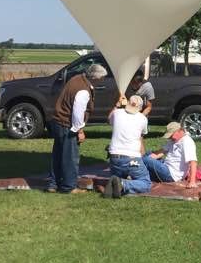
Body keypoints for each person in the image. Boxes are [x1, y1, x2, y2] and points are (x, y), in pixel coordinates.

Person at [47, 63, 108, 194]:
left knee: (58, 155)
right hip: (67, 125)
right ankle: (69, 187)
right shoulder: (83, 90)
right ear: (96, 78)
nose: (102, 80)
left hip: (58, 122)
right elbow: (77, 112)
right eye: (102, 78)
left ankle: (53, 184)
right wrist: (79, 130)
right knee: (70, 157)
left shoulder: (76, 79)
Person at [103, 94, 152, 198]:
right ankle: (122, 184)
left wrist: (117, 104)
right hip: (131, 158)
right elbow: (141, 136)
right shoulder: (143, 119)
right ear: (139, 108)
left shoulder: (117, 113)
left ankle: (115, 182)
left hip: (114, 158)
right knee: (146, 182)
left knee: (119, 174)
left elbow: (108, 119)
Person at [143, 121, 199, 187]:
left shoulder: (187, 142)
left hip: (172, 175)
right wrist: (146, 158)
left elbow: (193, 162)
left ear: (179, 131)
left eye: (171, 135)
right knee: (147, 154)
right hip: (166, 167)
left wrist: (192, 182)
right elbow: (161, 152)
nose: (170, 138)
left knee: (146, 160)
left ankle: (137, 170)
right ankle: (139, 171)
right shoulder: (173, 140)